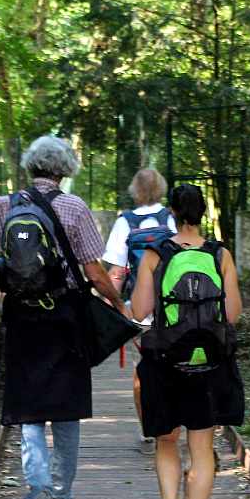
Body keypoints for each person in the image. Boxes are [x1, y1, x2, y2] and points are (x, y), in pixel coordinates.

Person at [0, 136, 128, 499]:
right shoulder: (74, 207)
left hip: (21, 318)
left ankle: (36, 492)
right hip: (65, 316)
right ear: (64, 169)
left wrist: (0, 250)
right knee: (66, 410)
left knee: (29, 409)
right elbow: (95, 272)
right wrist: (118, 307)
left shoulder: (5, 206)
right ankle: (63, 498)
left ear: (31, 166)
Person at [131, 184, 244, 499]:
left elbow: (139, 311)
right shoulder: (219, 254)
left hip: (165, 361)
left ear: (173, 214)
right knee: (201, 447)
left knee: (167, 440)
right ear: (203, 214)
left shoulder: (155, 254)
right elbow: (233, 314)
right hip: (209, 364)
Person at [102, 168, 176, 455]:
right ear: (160, 188)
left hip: (139, 310)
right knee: (172, 364)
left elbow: (117, 272)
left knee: (142, 369)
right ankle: (171, 423)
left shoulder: (125, 222)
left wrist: (112, 307)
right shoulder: (170, 219)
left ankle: (148, 429)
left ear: (135, 190)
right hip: (172, 308)